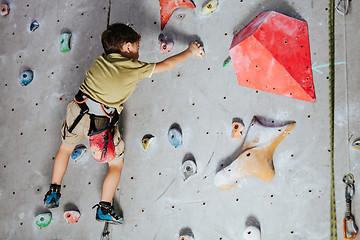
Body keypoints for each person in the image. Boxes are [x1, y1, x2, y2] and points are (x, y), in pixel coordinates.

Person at [43, 23, 204, 224]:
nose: (138, 52)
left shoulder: (100, 60)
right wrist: (190, 51)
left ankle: (54, 190)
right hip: (102, 123)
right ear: (127, 47)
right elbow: (167, 65)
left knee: (65, 149)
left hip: (78, 110)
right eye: (137, 47)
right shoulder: (134, 68)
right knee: (116, 164)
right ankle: (104, 207)